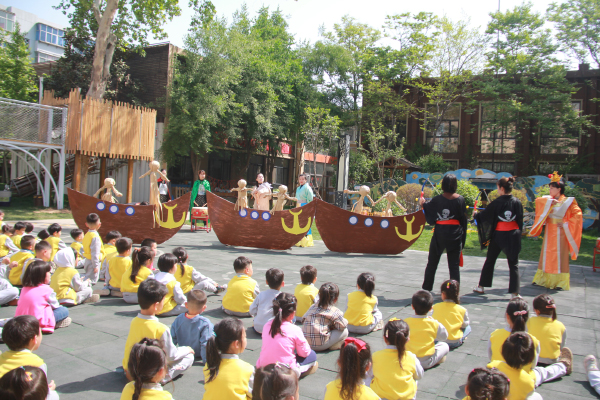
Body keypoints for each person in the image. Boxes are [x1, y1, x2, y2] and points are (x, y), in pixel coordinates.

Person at [122, 279, 194, 384]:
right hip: (148, 373)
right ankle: (161, 378)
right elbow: (172, 356)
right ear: (156, 305)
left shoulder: (134, 322)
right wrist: (186, 349)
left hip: (130, 370)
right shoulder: (161, 329)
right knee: (189, 357)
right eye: (163, 301)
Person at [529, 173, 582, 290]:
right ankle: (542, 279)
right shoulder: (548, 200)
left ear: (559, 189)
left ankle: (560, 282)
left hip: (560, 231)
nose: (550, 190)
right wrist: (549, 203)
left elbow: (578, 214)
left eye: (552, 188)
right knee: (546, 254)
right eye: (550, 188)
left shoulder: (568, 201)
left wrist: (566, 224)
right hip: (549, 230)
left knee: (560, 255)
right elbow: (538, 201)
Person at [474, 176, 524, 297]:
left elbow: (485, 216)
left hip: (499, 235)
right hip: (513, 235)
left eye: (497, 188)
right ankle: (515, 293)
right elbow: (520, 220)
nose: (497, 190)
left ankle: (481, 287)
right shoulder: (517, 202)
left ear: (501, 188)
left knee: (490, 260)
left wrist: (476, 215)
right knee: (514, 264)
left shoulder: (497, 202)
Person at [488, 332, 571, 400]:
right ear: (530, 359)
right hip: (530, 375)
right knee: (538, 392)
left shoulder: (493, 365)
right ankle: (563, 365)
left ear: (502, 352)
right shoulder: (528, 382)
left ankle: (563, 366)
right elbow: (533, 366)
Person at [419, 174, 467, 292]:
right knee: (454, 266)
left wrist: (423, 204)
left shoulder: (437, 199)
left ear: (443, 185)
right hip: (455, 234)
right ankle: (454, 291)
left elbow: (430, 216)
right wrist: (462, 238)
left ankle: (426, 289)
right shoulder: (460, 199)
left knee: (432, 263)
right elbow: (463, 220)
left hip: (440, 233)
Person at [257, 293, 318, 378]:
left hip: (264, 368)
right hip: (284, 371)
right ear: (292, 314)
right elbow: (304, 353)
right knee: (312, 354)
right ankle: (295, 373)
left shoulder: (266, 326)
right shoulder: (295, 329)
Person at [371, 319, 423, 400]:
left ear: (385, 339)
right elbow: (419, 376)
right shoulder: (411, 357)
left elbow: (368, 375)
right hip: (406, 398)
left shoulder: (375, 356)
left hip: (381, 398)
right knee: (414, 378)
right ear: (407, 340)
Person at [203, 318, 255, 400]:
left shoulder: (209, 365)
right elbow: (256, 394)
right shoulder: (247, 369)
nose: (246, 338)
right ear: (236, 344)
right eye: (245, 336)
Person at [16, 260, 71, 333]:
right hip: (39, 321)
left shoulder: (24, 289)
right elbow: (55, 306)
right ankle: (51, 323)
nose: (50, 274)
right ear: (42, 275)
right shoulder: (47, 290)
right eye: (49, 272)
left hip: (22, 321)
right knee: (64, 310)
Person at [489, 297, 540, 374]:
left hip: (499, 376)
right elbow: (533, 365)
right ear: (527, 318)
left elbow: (491, 357)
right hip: (522, 378)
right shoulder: (533, 340)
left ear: (507, 316)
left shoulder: (494, 335)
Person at [404, 290, 449, 369]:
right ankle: (436, 360)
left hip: (409, 360)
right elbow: (444, 337)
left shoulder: (405, 322)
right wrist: (435, 321)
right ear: (430, 308)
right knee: (444, 345)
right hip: (426, 361)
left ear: (412, 306)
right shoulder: (433, 323)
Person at [302, 282, 349, 352]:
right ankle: (333, 345)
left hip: (306, 343)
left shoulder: (313, 306)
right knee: (345, 331)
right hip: (321, 345)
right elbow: (343, 325)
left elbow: (303, 319)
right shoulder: (334, 310)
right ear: (335, 299)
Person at [170, 290, 214, 363]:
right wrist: (207, 361)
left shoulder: (178, 319)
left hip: (186, 353)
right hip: (199, 354)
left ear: (186, 305)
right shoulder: (205, 323)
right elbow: (205, 343)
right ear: (204, 308)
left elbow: (172, 339)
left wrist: (170, 356)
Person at [527, 294, 567, 365]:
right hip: (552, 362)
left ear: (537, 311)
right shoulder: (561, 326)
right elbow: (561, 347)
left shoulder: (530, 321)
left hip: (531, 360)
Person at [432, 279, 470, 349]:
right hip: (453, 342)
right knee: (468, 327)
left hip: (436, 340)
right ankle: (460, 339)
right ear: (457, 294)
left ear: (443, 294)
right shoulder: (462, 309)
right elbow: (465, 324)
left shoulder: (435, 306)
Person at [250, 268, 285, 334]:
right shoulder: (283, 297)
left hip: (258, 328)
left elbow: (252, 310)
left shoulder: (261, 295)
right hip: (274, 330)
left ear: (266, 282)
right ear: (282, 283)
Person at [154, 253, 187, 317]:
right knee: (189, 306)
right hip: (165, 309)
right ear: (172, 267)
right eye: (176, 265)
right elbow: (180, 299)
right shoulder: (172, 282)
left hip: (152, 309)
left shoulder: (154, 277)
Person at [82, 213, 105, 284]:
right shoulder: (95, 237)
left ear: (86, 224)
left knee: (88, 278)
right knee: (91, 281)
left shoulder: (87, 234)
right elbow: (95, 252)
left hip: (88, 260)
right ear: (99, 224)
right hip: (93, 262)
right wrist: (96, 266)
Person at [295, 173, 314, 247]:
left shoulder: (307, 188)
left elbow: (310, 198)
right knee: (299, 222)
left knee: (305, 222)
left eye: (303, 179)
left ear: (306, 180)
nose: (301, 180)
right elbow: (297, 198)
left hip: (305, 205)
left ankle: (307, 240)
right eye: (300, 179)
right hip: (299, 205)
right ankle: (300, 239)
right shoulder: (298, 188)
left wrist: (308, 207)